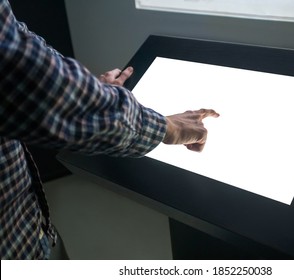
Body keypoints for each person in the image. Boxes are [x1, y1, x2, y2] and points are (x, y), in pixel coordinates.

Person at [0, 0, 219, 259]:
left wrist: (85, 92)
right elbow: (15, 72)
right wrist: (164, 126)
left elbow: (18, 43)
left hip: (28, 227)